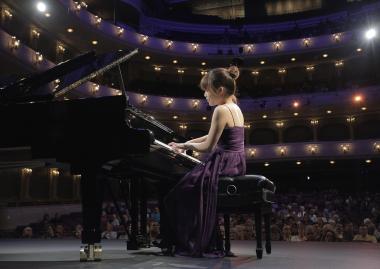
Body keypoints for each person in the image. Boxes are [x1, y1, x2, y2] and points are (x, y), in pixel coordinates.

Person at [163, 66, 246, 257]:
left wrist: (184, 147)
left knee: (181, 192)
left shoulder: (220, 110)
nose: (205, 96)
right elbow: (210, 136)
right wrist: (184, 143)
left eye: (206, 91)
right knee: (189, 187)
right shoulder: (234, 107)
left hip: (224, 163)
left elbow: (209, 146)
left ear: (220, 90)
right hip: (236, 161)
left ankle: (190, 240)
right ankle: (206, 238)